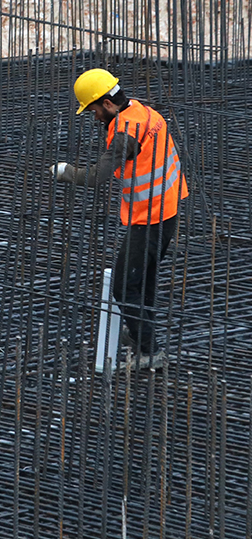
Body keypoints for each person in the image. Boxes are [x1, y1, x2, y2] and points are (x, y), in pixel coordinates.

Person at [51, 67, 188, 368]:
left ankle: (150, 351)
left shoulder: (125, 133)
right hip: (167, 210)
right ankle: (141, 335)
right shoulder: (145, 112)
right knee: (143, 282)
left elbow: (98, 176)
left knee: (124, 286)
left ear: (109, 104)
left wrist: (65, 172)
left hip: (150, 216)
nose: (96, 117)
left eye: (95, 111)